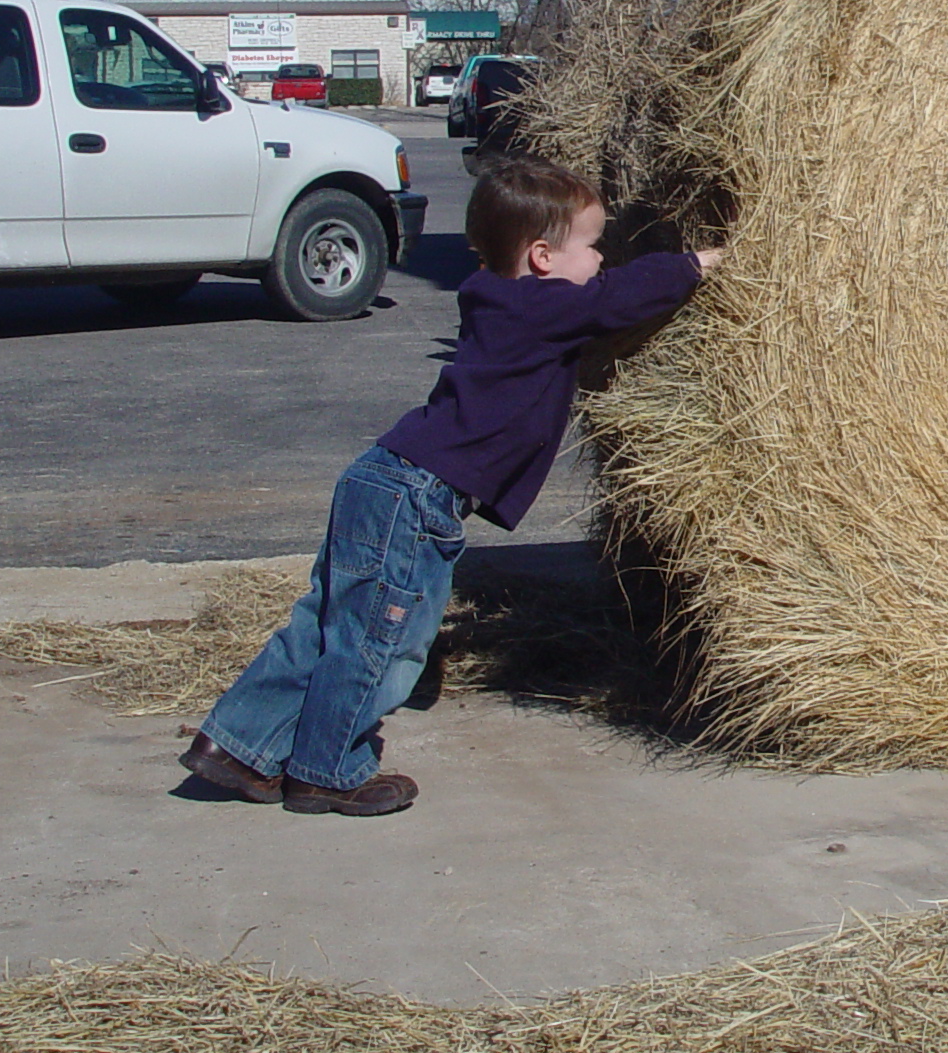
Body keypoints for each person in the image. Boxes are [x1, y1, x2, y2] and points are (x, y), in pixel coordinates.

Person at [178, 155, 718, 816]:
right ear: (544, 258)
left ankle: (236, 746)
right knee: (383, 642)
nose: (603, 258)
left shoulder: (498, 299)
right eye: (593, 245)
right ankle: (327, 770)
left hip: (384, 480)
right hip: (415, 498)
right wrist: (696, 265)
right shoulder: (540, 308)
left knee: (325, 625)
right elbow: (617, 299)